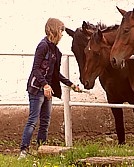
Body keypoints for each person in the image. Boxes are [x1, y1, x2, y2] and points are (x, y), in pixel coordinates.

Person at [18, 18, 82, 160]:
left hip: (47, 90)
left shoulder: (56, 51)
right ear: (54, 30)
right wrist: (45, 85)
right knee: (33, 120)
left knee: (45, 121)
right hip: (36, 89)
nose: (62, 34)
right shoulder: (43, 46)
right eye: (61, 30)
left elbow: (55, 73)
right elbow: (36, 69)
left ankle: (41, 149)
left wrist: (71, 84)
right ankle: (23, 150)